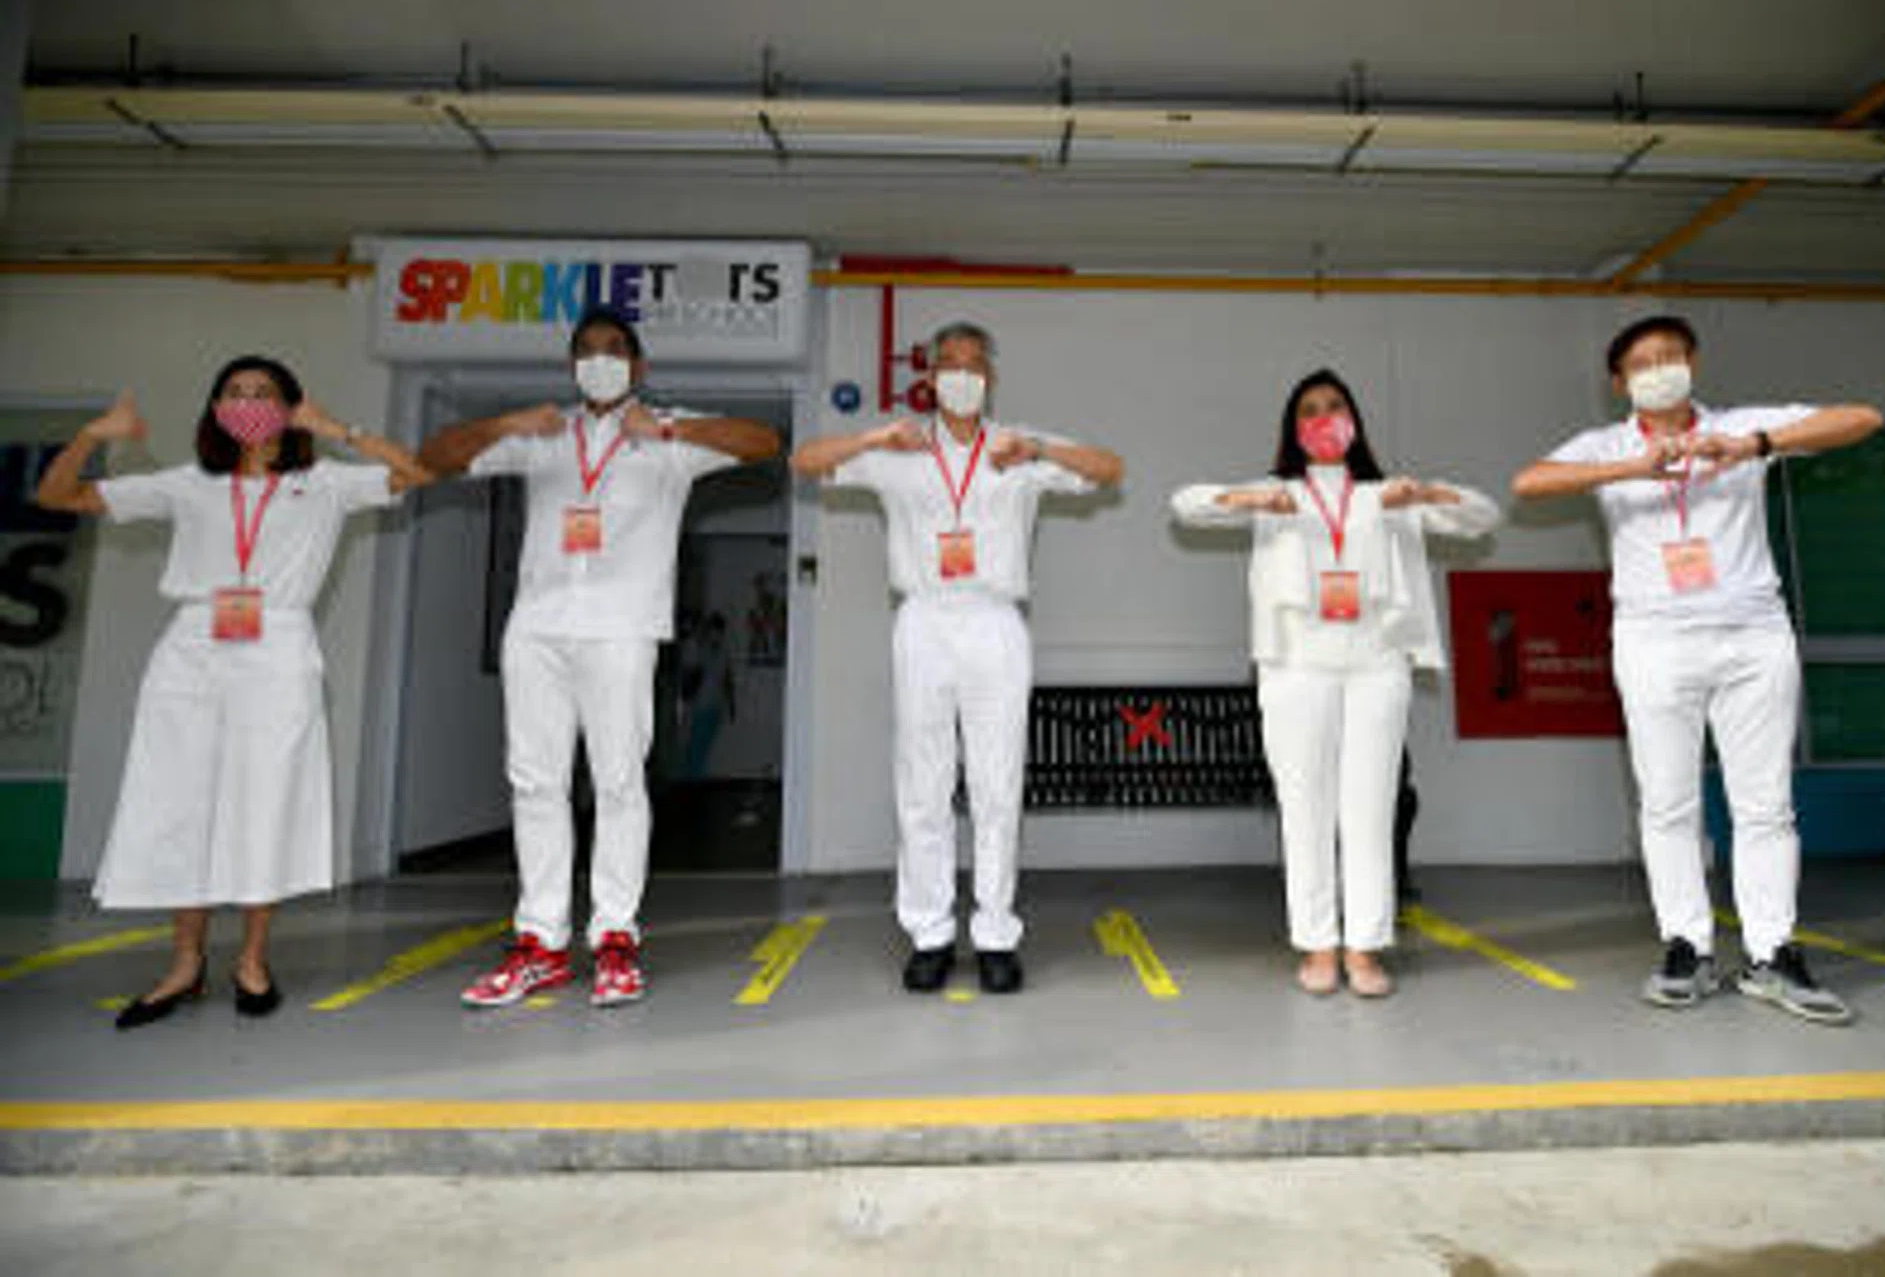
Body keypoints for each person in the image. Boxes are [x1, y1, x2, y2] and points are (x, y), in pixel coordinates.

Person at [34, 357, 432, 1029]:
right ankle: (184, 964)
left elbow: (420, 473)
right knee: (180, 803)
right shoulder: (190, 484)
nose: (248, 402)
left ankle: (253, 959)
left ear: (288, 407)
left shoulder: (326, 482)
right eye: (235, 392)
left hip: (278, 647)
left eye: (264, 393)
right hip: (191, 648)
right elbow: (56, 496)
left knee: (263, 803)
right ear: (215, 407)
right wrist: (96, 435)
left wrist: (335, 426)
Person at [1513, 314, 1882, 1024]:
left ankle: (1773, 953)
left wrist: (1755, 446)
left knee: (1765, 804)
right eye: (1643, 362)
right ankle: (1687, 945)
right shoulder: (1607, 445)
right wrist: (1632, 468)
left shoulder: (1743, 427)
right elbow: (1529, 482)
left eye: (1672, 356)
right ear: (1619, 383)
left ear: (1694, 363)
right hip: (1653, 641)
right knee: (1668, 802)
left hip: (1753, 634)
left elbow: (1859, 417)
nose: (1660, 369)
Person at [424, 305, 781, 1009]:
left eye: (614, 349)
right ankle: (541, 943)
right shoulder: (544, 436)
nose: (600, 360)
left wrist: (671, 429)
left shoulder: (667, 436)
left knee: (618, 783)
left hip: (621, 630)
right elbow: (433, 459)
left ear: (638, 366)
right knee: (535, 784)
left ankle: (616, 938)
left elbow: (765, 441)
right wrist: (503, 425)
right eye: (585, 350)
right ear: (571, 366)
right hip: (537, 629)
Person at [791, 321, 1123, 994]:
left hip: (995, 620)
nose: (962, 375)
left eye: (974, 365)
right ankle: (931, 932)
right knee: (924, 783)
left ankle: (996, 931)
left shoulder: (1018, 446)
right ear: (931, 376)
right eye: (949, 364)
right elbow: (804, 461)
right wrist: (870, 437)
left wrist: (1039, 447)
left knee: (998, 784)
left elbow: (1110, 469)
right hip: (923, 619)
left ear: (990, 378)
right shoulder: (899, 446)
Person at [1171, 368, 1498, 998]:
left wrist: (1425, 492)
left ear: (1355, 420)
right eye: (1310, 410)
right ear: (1294, 429)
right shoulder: (1278, 490)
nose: (1324, 418)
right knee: (1305, 810)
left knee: (1370, 809)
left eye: (1335, 406)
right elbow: (1184, 504)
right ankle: (1318, 946)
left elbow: (1482, 517)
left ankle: (1365, 948)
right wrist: (1248, 501)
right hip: (1296, 666)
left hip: (1377, 664)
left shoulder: (1385, 493)